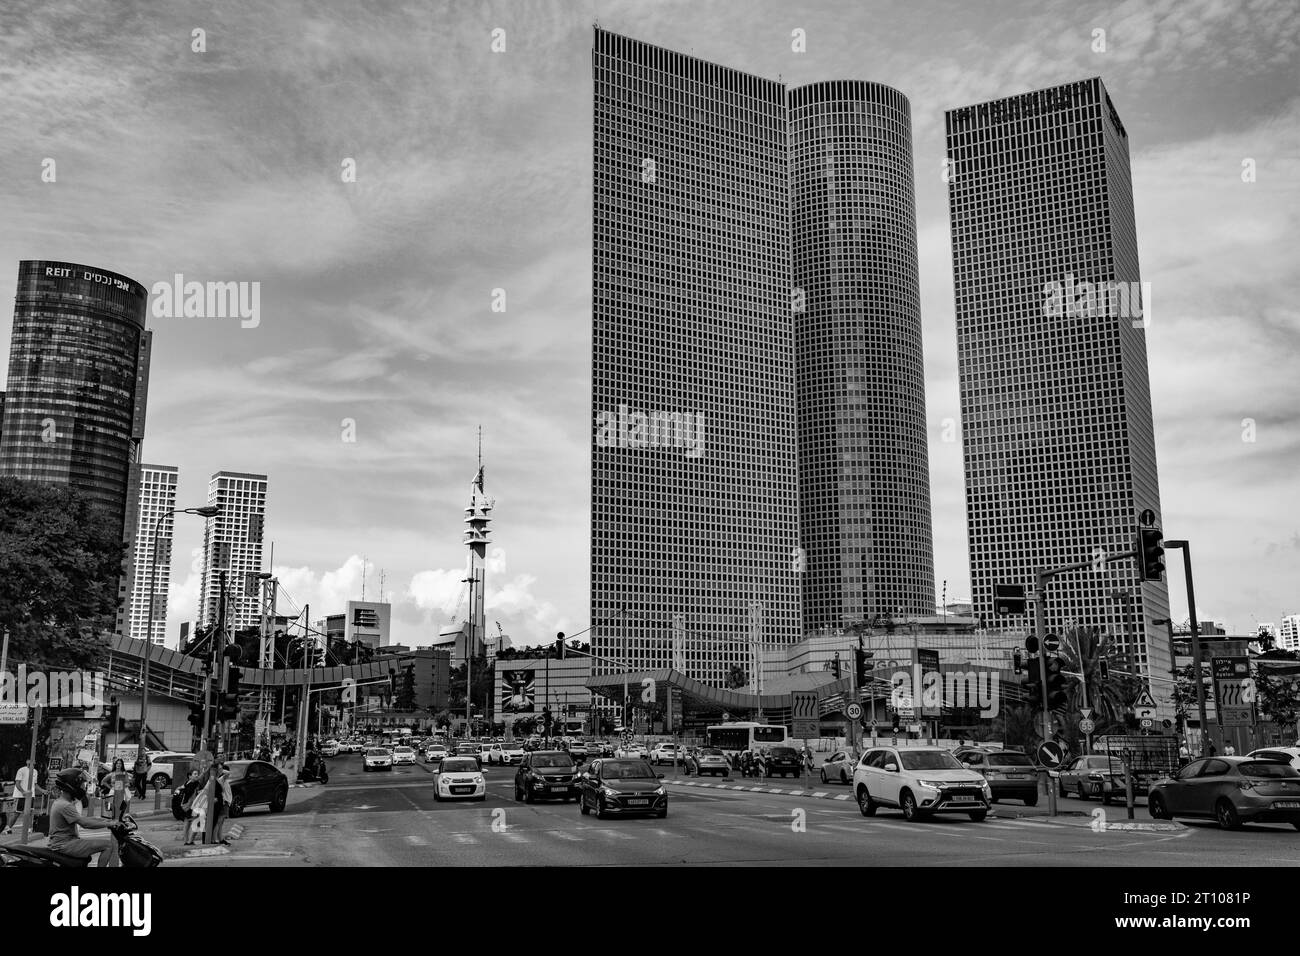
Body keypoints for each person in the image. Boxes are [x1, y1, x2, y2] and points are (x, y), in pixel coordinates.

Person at [47, 769, 120, 867]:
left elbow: (85, 819)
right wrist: (109, 824)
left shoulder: (61, 802)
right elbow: (85, 824)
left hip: (64, 843)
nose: (83, 788)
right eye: (81, 785)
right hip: (64, 845)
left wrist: (106, 821)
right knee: (108, 845)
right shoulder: (65, 805)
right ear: (72, 785)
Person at [7, 759, 44, 835]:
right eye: (30, 761)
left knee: (30, 812)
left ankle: (29, 829)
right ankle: (8, 828)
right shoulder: (21, 770)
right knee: (16, 813)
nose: (32, 763)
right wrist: (23, 792)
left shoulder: (35, 771)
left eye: (33, 761)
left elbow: (35, 784)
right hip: (20, 795)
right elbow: (17, 783)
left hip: (31, 795)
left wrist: (42, 790)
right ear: (27, 762)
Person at [211, 763, 233, 845]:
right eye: (219, 769)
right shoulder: (221, 779)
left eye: (221, 768)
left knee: (221, 823)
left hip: (226, 802)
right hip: (224, 802)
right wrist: (219, 770)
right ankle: (215, 839)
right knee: (219, 822)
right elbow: (228, 773)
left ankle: (220, 838)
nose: (221, 770)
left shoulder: (222, 780)